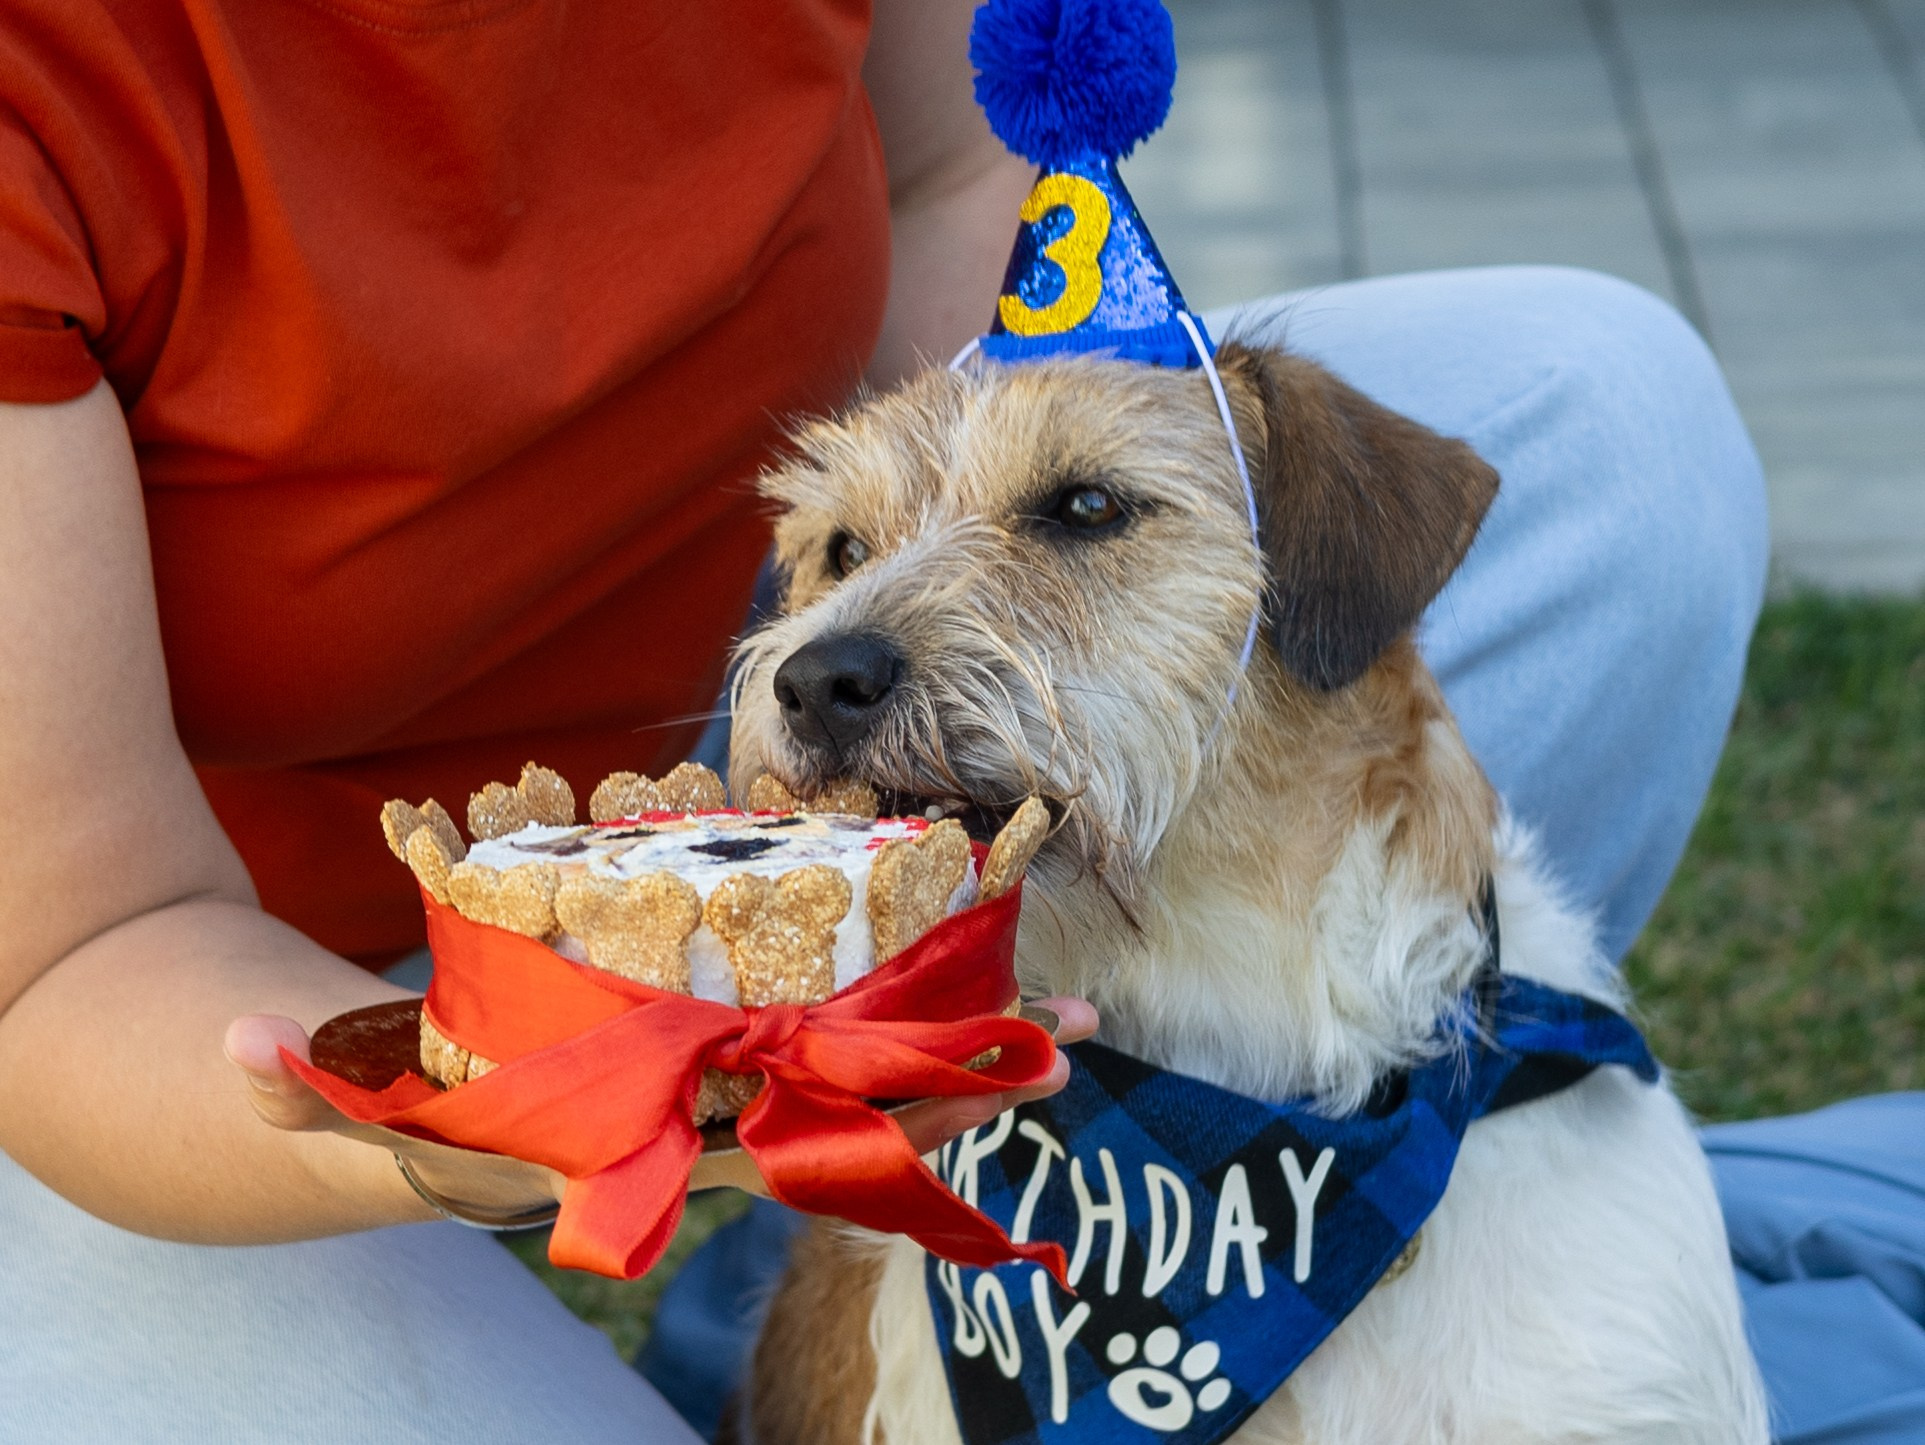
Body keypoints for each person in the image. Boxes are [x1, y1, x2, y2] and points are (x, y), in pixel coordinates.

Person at [0, 3, 1091, 1439]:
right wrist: (491, 1107)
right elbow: (74, 946)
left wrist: (1005, 649)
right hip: (196, 1000)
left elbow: (960, 169)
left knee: (1461, 434)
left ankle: (801, 1279)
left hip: (745, 679)